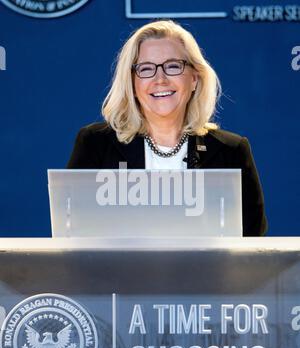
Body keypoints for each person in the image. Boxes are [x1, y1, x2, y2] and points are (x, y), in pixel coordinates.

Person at [67, 20, 267, 236]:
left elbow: (250, 243)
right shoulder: (96, 144)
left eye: (173, 66)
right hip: (117, 271)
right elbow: (73, 234)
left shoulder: (231, 151)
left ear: (194, 79)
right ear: (132, 84)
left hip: (204, 271)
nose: (160, 79)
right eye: (146, 69)